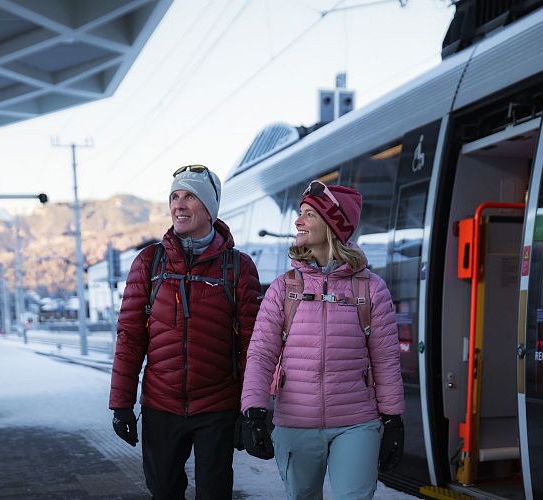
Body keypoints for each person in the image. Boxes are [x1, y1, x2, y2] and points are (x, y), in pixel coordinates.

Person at [240, 181, 405, 500]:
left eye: (309, 214)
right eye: (299, 213)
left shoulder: (371, 289)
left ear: (333, 226)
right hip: (295, 421)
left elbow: (385, 361)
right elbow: (261, 355)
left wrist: (393, 419)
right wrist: (254, 412)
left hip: (357, 423)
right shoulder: (283, 288)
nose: (298, 221)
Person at [109, 165, 262, 500]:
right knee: (163, 491)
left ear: (209, 208)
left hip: (218, 407)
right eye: (174, 196)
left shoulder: (238, 267)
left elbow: (252, 346)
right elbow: (130, 337)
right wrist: (121, 404)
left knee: (214, 493)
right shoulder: (149, 263)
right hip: (160, 405)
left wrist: (251, 407)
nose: (179, 204)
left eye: (189, 196)